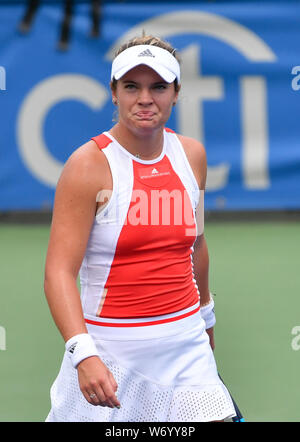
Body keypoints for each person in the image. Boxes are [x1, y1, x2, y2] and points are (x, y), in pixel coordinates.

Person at [44, 35, 236, 422]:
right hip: (112, 355)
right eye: (131, 86)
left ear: (176, 93)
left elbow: (195, 245)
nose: (145, 98)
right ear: (113, 93)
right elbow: (58, 271)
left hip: (186, 347)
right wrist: (83, 353)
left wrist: (206, 320)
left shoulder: (192, 155)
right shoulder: (87, 166)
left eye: (158, 87)